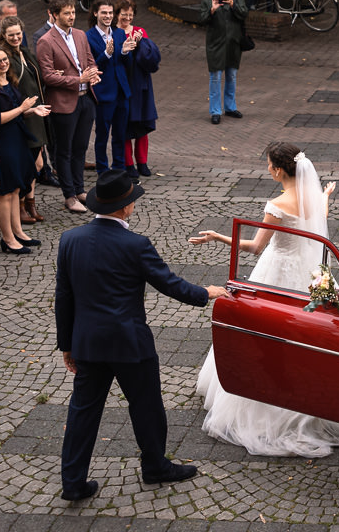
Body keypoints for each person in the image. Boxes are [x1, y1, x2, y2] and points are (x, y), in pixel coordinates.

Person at [55, 171, 226, 502]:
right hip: (130, 343)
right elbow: (170, 284)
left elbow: (64, 298)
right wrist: (208, 292)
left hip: (88, 342)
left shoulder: (70, 240)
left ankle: (73, 482)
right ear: (125, 208)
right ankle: (155, 465)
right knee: (146, 406)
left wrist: (67, 344)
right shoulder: (135, 244)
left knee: (82, 412)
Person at [189, 144, 339, 457]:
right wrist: (326, 196)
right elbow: (319, 216)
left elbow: (254, 247)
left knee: (264, 336)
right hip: (309, 273)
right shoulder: (311, 196)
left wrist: (217, 237)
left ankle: (264, 395)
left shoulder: (277, 203)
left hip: (277, 270)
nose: (267, 170)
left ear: (279, 170)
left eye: (269, 165)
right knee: (312, 335)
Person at [0, 46, 48, 256]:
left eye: (5, 59)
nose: (3, 63)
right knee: (5, 190)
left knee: (16, 189)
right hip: (3, 143)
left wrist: (32, 110)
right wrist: (21, 108)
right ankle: (7, 239)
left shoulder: (10, 81)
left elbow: (16, 114)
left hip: (18, 139)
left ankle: (18, 232)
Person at [36, 0, 103, 215]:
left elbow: (89, 60)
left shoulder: (81, 35)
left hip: (86, 100)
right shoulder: (46, 41)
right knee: (63, 151)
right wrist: (78, 80)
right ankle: (69, 195)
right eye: (66, 13)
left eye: (73, 12)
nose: (71, 16)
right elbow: (47, 77)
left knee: (81, 148)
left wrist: (92, 75)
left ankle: (80, 189)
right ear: (54, 15)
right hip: (63, 103)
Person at [0, 15, 49, 223]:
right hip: (23, 115)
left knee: (38, 161)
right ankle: (20, 204)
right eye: (11, 35)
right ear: (3, 35)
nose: (16, 37)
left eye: (18, 34)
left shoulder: (25, 51)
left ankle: (30, 203)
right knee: (32, 164)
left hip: (37, 113)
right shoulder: (5, 57)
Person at [196, 0, 248, 125]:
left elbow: (244, 14)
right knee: (215, 77)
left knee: (231, 76)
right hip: (215, 45)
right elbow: (202, 19)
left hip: (233, 44)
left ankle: (230, 107)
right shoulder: (207, 0)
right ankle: (215, 111)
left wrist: (233, 5)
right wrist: (212, 10)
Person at [115, 0, 160, 178]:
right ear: (117, 14)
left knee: (142, 123)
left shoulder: (140, 32)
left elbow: (151, 60)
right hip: (122, 85)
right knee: (124, 126)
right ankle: (128, 164)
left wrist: (141, 44)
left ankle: (142, 162)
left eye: (130, 14)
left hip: (141, 85)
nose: (127, 18)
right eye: (124, 14)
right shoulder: (113, 33)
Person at [85, 0, 129, 175]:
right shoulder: (88, 37)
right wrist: (106, 54)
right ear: (95, 13)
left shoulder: (119, 34)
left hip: (121, 91)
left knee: (120, 133)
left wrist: (125, 51)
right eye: (104, 13)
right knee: (102, 135)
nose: (108, 16)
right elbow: (90, 66)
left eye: (111, 13)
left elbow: (126, 64)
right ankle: (102, 170)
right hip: (103, 93)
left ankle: (119, 168)